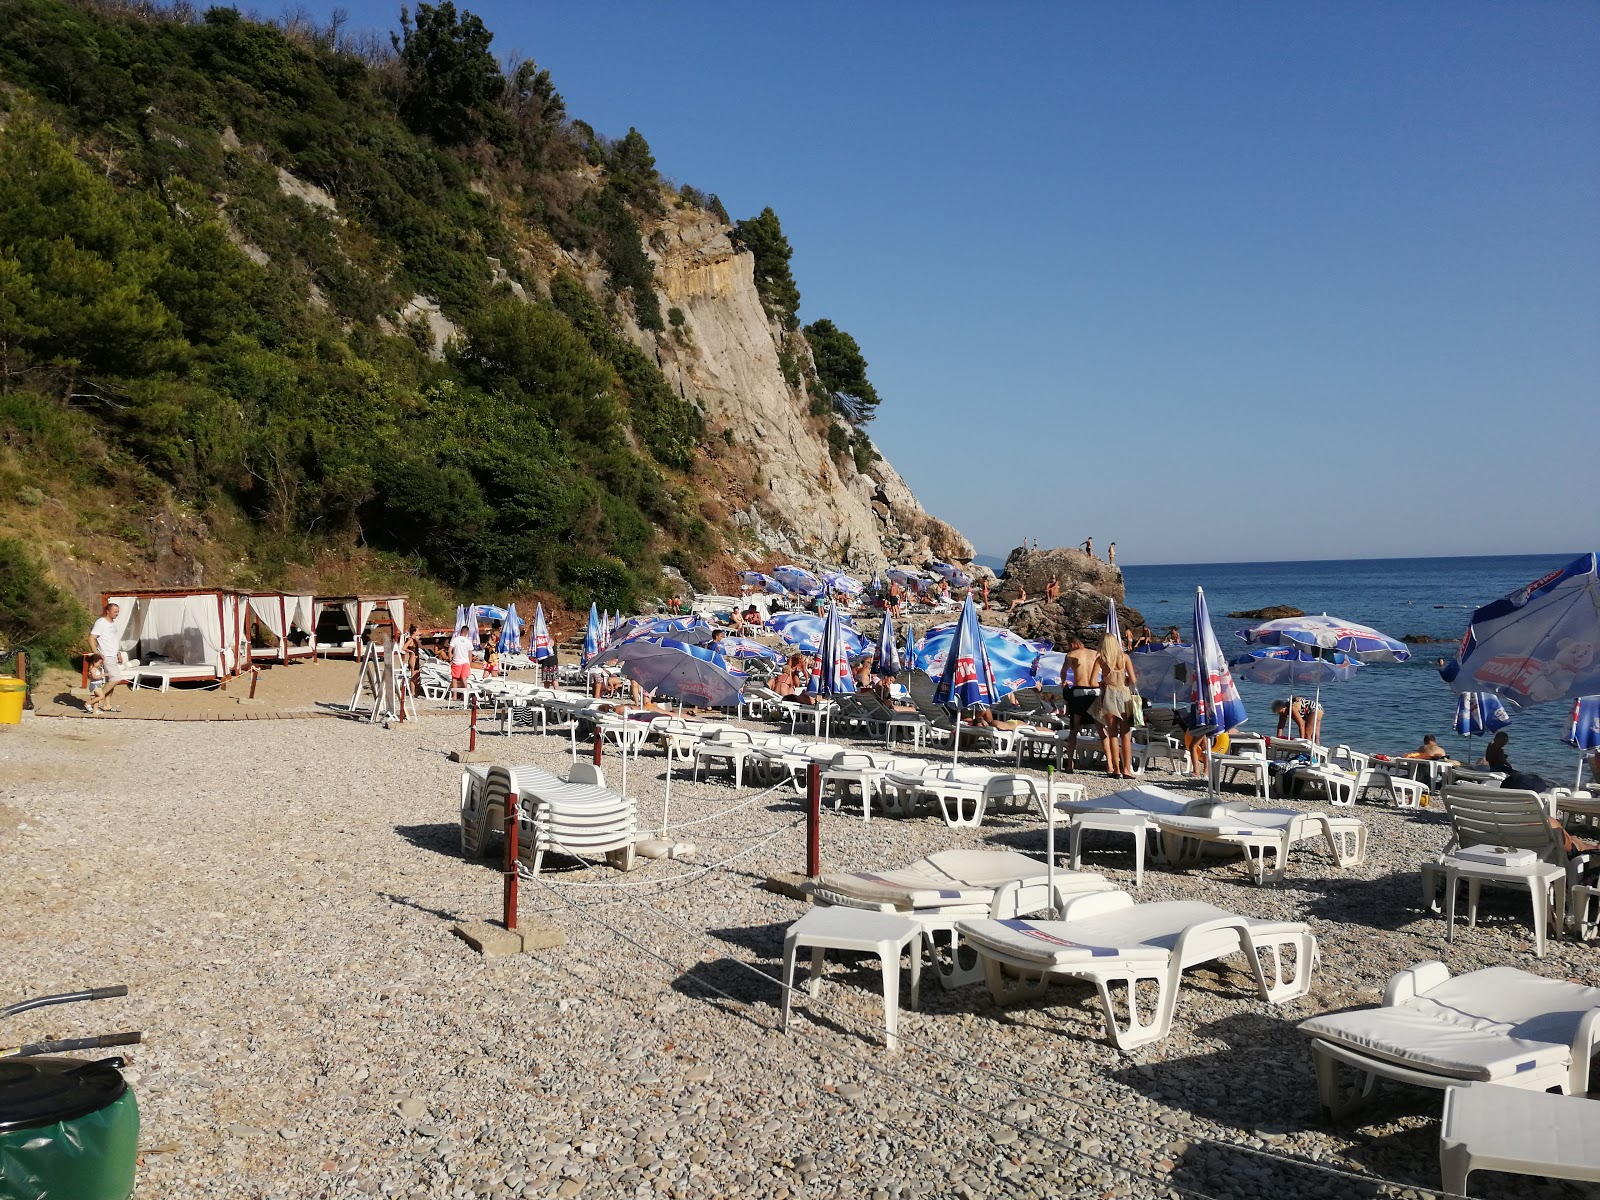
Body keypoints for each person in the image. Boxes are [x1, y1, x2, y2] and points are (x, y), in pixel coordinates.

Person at [1091, 634, 1139, 778]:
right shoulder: (1124, 658)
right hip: (1124, 695)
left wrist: (1103, 683)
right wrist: (1124, 681)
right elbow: (1133, 679)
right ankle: (1127, 769)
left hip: (1109, 695)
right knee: (1125, 734)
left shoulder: (1101, 660)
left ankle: (1116, 769)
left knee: (1112, 733)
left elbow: (1092, 681)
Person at [1061, 637, 1102, 773]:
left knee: (1074, 730)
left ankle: (1070, 764)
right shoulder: (1096, 653)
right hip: (1095, 690)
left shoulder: (1071, 655)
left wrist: (1064, 682)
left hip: (1079, 691)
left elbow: (1064, 671)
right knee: (1101, 729)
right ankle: (1111, 765)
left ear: (1073, 644)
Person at [87, 602, 130, 714]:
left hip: (113, 654)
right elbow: (91, 638)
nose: (117, 614)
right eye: (115, 611)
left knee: (110, 680)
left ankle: (107, 705)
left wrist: (118, 653)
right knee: (116, 678)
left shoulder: (113, 624)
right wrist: (96, 653)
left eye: (118, 611)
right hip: (106, 655)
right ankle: (93, 701)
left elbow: (113, 640)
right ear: (108, 611)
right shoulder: (101, 622)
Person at [447, 624, 474, 703]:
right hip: (465, 662)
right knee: (464, 679)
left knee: (454, 679)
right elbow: (470, 655)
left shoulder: (455, 640)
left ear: (461, 631)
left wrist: (450, 659)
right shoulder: (469, 642)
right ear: (467, 632)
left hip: (457, 661)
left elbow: (449, 650)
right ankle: (464, 695)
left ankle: (454, 696)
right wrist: (469, 664)